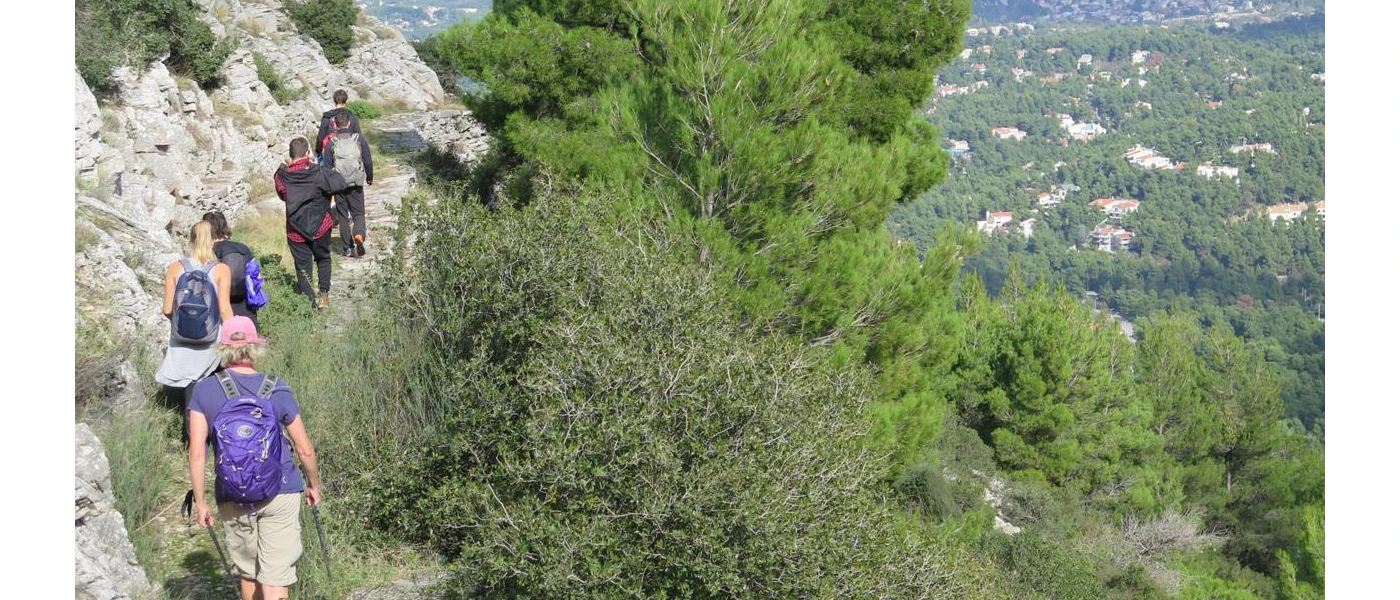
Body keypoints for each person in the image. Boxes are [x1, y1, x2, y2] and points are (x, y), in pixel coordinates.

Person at [187, 316, 322, 600]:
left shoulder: (204, 390)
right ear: (255, 347)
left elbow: (197, 452)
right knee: (275, 578)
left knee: (248, 572)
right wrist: (314, 484)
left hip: (233, 493)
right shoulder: (277, 387)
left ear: (223, 348)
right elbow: (304, 448)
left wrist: (200, 503)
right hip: (281, 490)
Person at [155, 220, 235, 436]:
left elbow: (166, 309)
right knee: (210, 385)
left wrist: (185, 323)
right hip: (211, 338)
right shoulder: (221, 269)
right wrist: (236, 335)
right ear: (213, 241)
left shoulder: (175, 267)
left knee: (191, 389)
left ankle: (193, 445)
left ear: (190, 240)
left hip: (182, 339)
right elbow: (225, 310)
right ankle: (216, 437)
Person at [275, 136, 348, 309]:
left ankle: (308, 305)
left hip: (295, 230)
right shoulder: (318, 172)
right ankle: (324, 295)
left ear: (290, 154)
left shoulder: (282, 176)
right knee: (323, 258)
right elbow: (339, 183)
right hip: (320, 225)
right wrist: (317, 165)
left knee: (302, 267)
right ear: (307, 153)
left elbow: (282, 194)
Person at [320, 110, 373, 257]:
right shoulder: (358, 139)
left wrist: (330, 188)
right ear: (349, 123)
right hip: (356, 183)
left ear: (335, 126)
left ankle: (348, 248)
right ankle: (359, 234)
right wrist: (369, 177)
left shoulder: (332, 143)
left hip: (339, 185)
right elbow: (367, 160)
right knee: (359, 213)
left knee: (343, 215)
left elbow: (327, 168)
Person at [203, 211, 260, 327]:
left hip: (217, 313)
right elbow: (257, 278)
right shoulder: (242, 247)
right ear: (225, 227)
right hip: (246, 311)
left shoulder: (206, 253)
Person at [315, 89, 361, 161]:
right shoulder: (352, 117)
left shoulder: (327, 117)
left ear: (334, 101)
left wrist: (318, 152)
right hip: (350, 153)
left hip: (332, 152)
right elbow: (358, 137)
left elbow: (320, 138)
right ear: (346, 101)